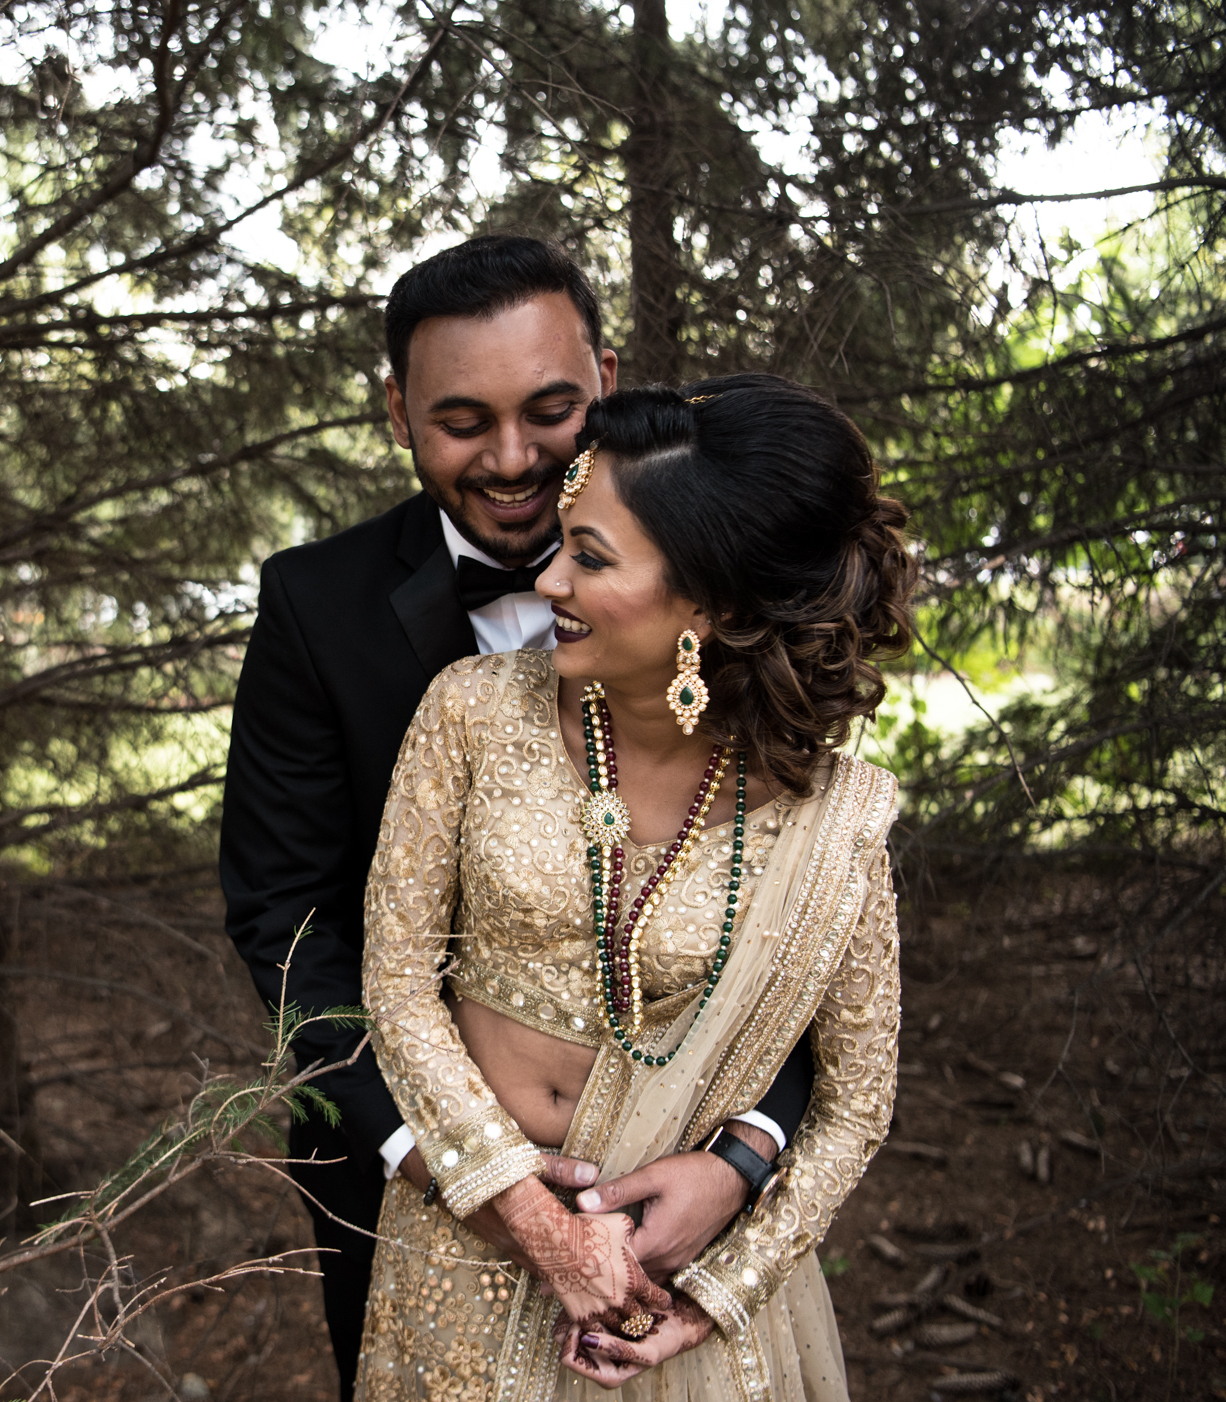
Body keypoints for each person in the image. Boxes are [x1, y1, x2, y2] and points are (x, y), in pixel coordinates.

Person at [219, 237, 814, 1402]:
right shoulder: (314, 606)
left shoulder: (726, 580)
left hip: (686, 1181)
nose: (511, 460)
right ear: (397, 412)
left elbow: (797, 914)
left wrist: (745, 1154)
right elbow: (287, 922)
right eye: (461, 422)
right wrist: (462, 1170)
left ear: (606, 377)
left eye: (550, 411)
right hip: (403, 1176)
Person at [356, 377, 911, 1401]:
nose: (549, 578)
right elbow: (395, 984)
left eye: (592, 556)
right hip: (466, 1246)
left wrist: (717, 1292)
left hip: (674, 1291)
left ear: (717, 603)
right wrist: (528, 1214)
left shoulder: (829, 820)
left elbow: (856, 1101)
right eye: (562, 544)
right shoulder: (473, 713)